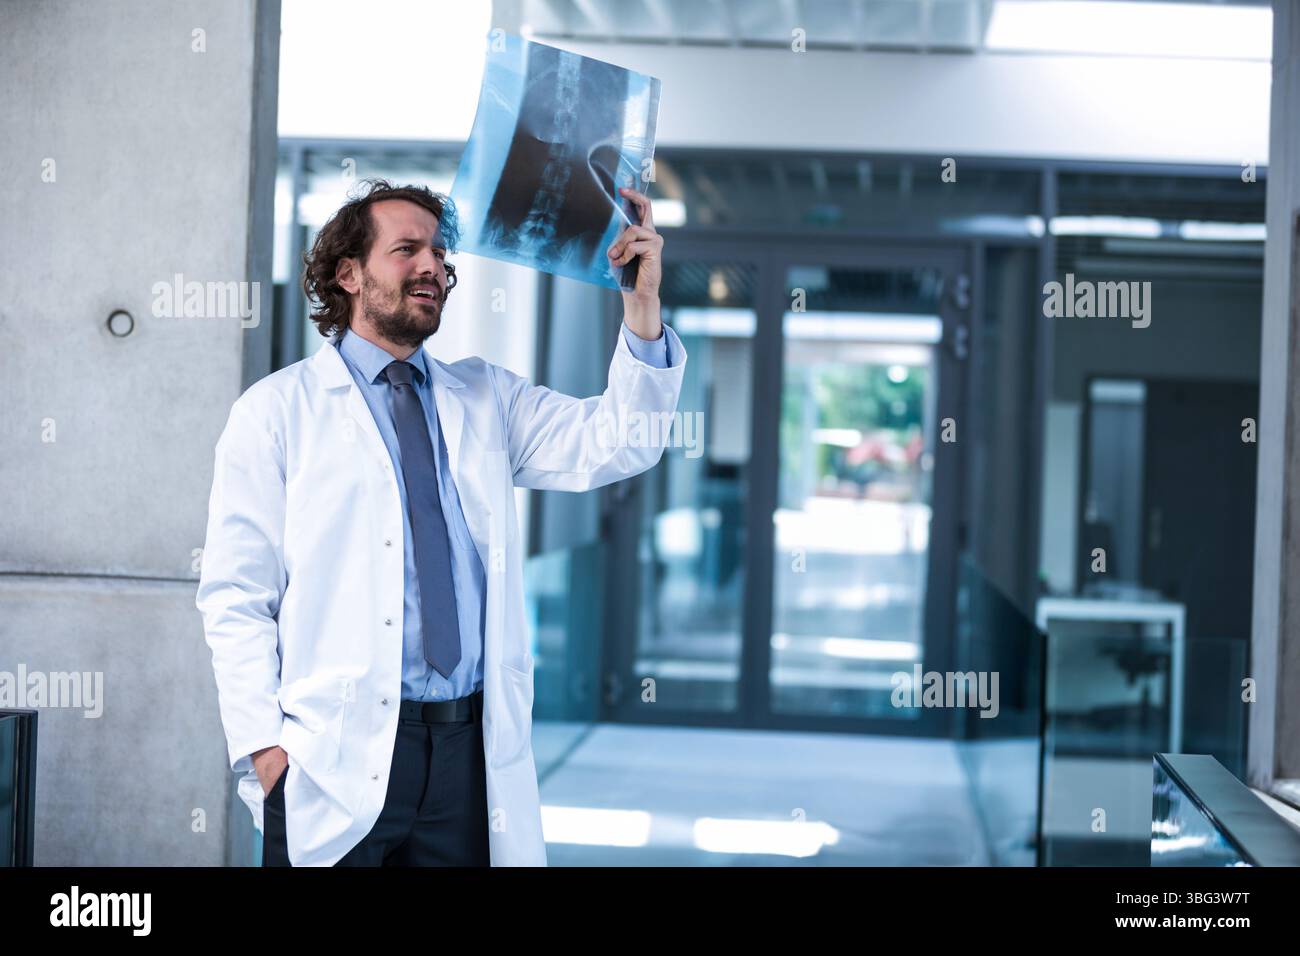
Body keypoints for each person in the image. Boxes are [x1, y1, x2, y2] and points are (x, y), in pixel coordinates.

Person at [195, 179, 686, 866]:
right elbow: (236, 597)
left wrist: (641, 302)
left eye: (439, 252)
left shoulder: (485, 396)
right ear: (348, 274)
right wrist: (266, 752)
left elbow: (620, 441)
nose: (432, 266)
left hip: (465, 757)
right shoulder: (276, 412)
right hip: (332, 757)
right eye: (406, 250)